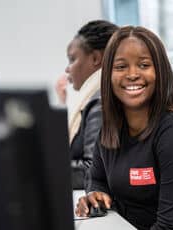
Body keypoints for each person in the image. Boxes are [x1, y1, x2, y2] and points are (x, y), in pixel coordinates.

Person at [75, 26, 173, 230]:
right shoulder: (111, 129)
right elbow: (96, 177)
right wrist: (95, 194)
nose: (132, 74)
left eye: (143, 65)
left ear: (160, 72)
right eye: (121, 66)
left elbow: (170, 227)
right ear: (108, 76)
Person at [60, 20, 118, 190]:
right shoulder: (98, 94)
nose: (67, 69)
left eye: (72, 59)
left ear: (95, 58)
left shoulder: (100, 101)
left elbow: (92, 170)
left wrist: (38, 172)